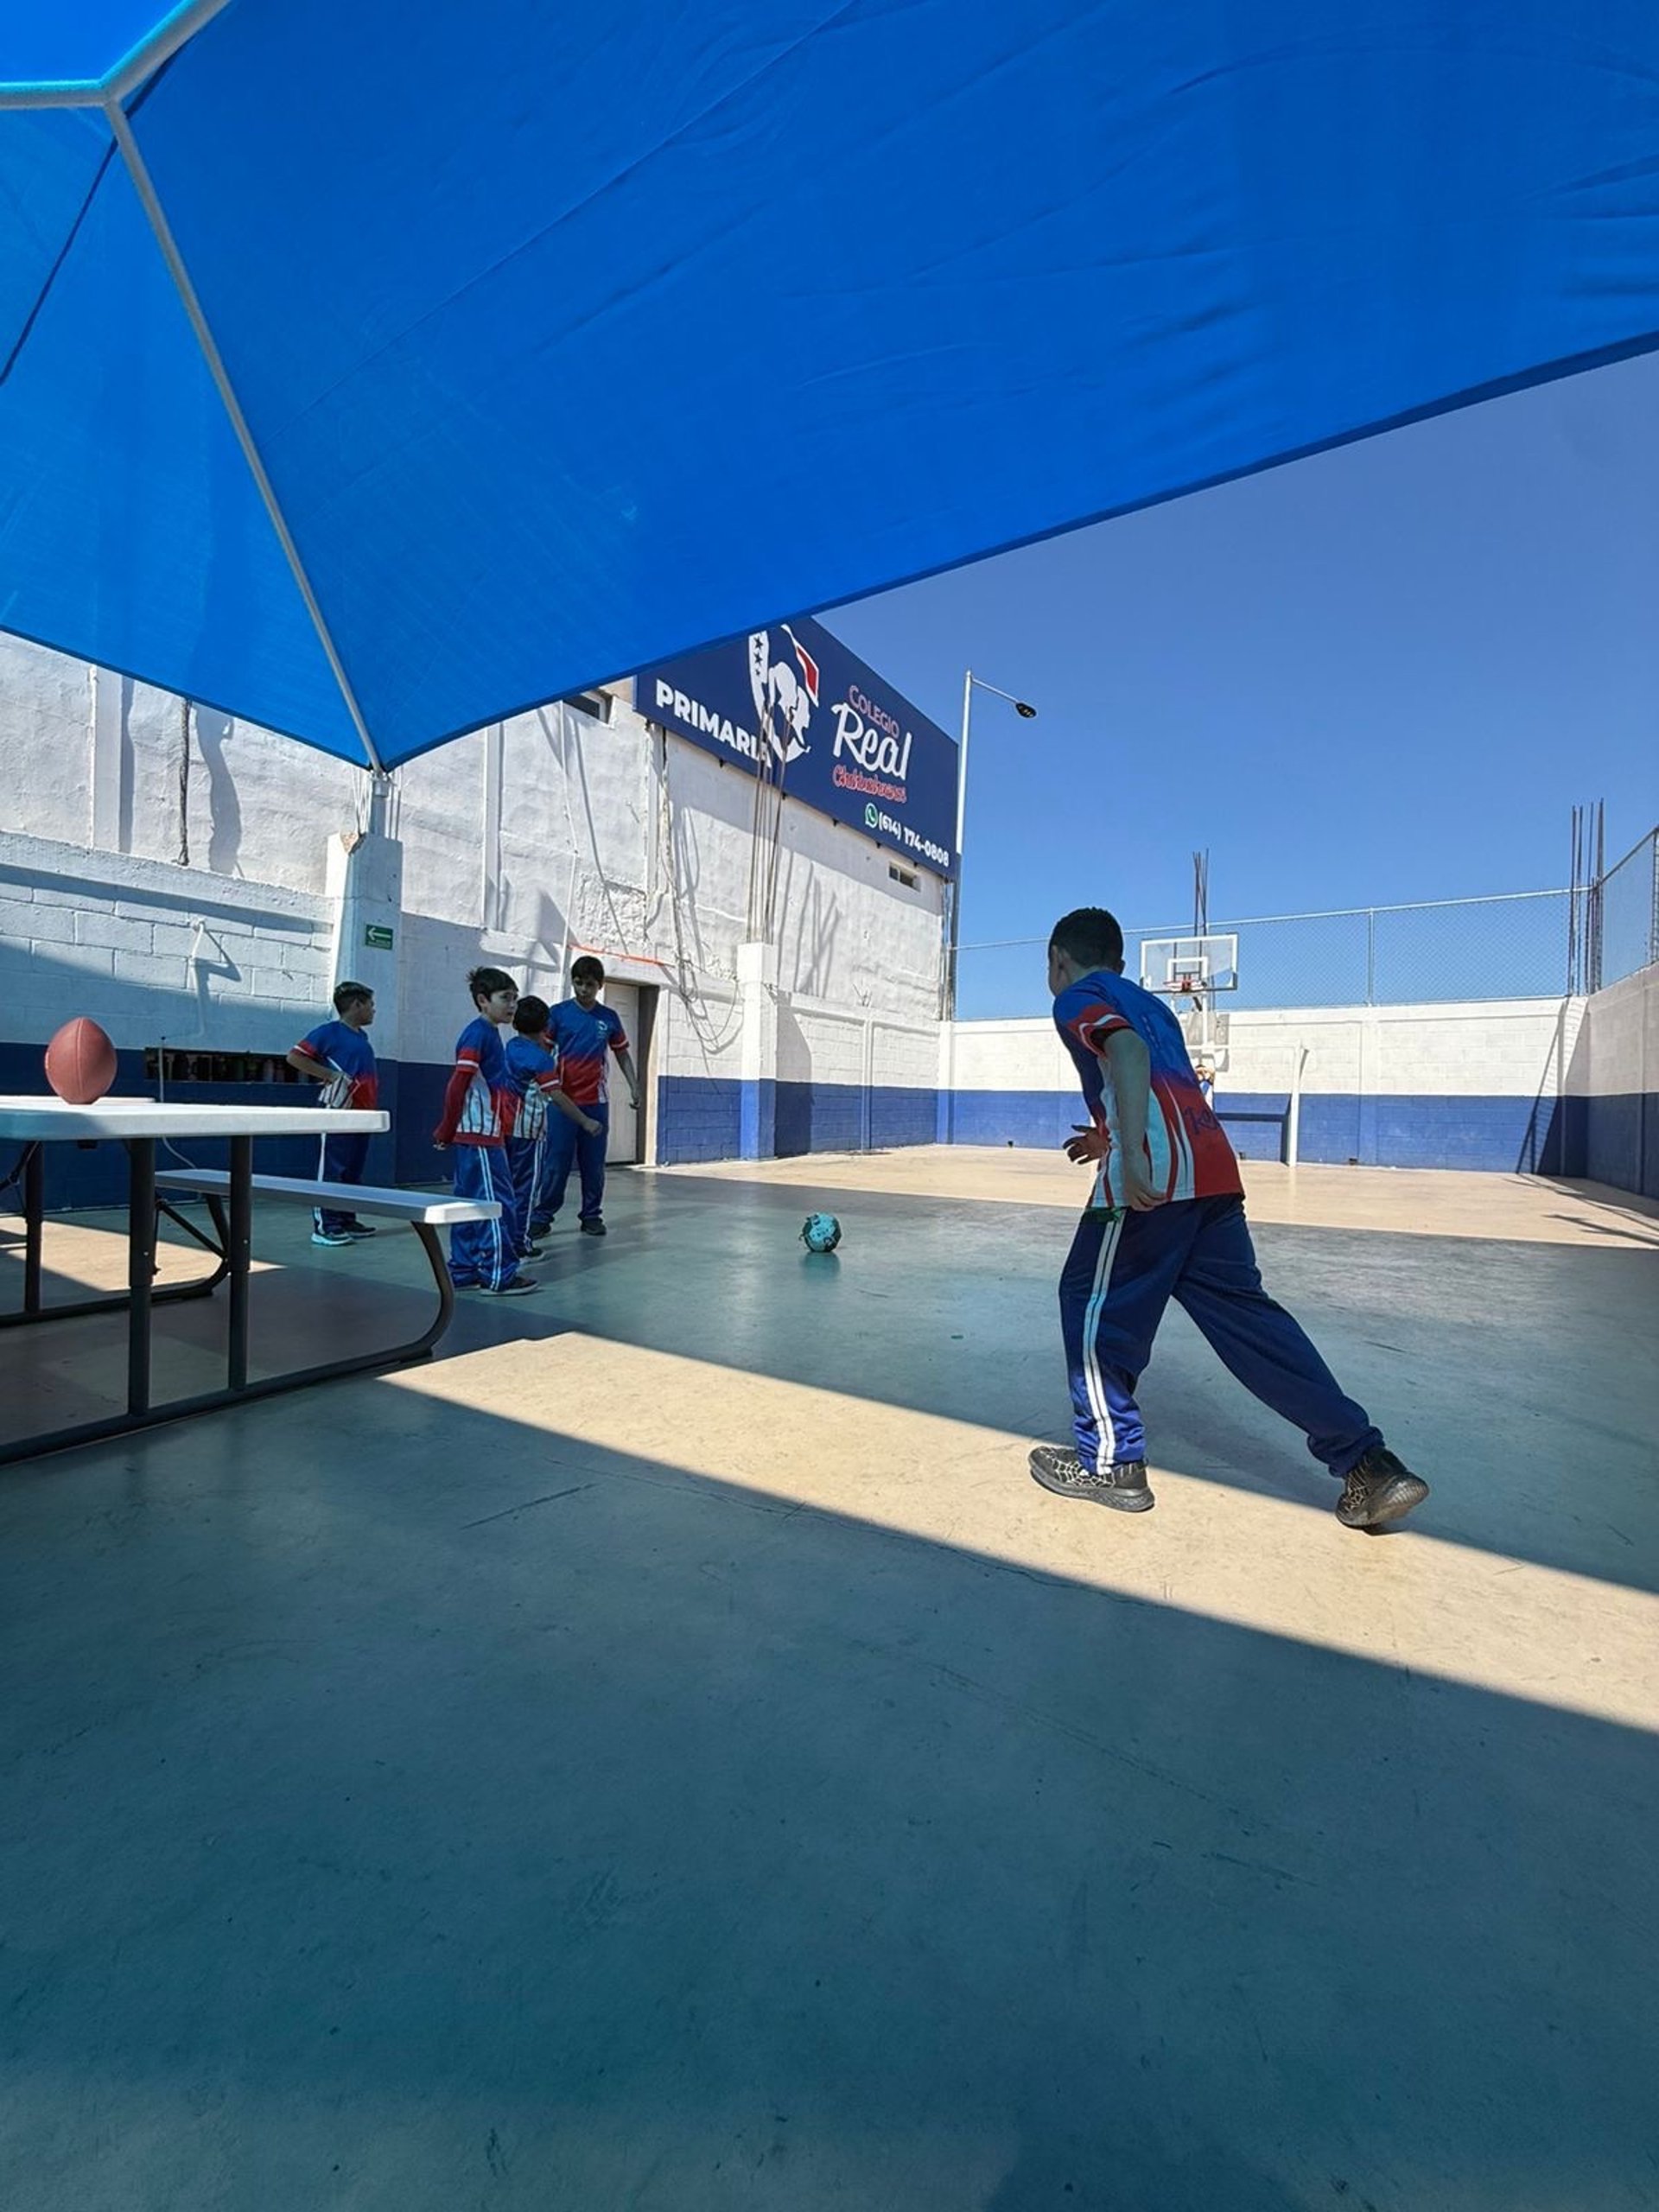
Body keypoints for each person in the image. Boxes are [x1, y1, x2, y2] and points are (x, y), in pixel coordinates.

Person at [1031, 907, 1428, 1530]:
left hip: (1157, 1181)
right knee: (1253, 1328)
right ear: (1123, 962)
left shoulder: (1076, 997)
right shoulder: (1155, 1006)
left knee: (1089, 1302)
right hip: (1214, 1173)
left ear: (1058, 959)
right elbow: (1155, 1080)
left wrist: (1132, 1154)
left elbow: (1127, 1053)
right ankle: (1367, 1463)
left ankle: (1110, 1463)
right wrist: (1107, 1136)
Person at [431, 966, 537, 1296]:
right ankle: (498, 1275)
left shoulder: (489, 1034)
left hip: (481, 1134)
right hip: (480, 1136)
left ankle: (463, 1269)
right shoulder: (478, 1034)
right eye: (505, 998)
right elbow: (457, 1084)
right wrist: (446, 1129)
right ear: (482, 1000)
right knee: (496, 1204)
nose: (512, 1005)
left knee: (468, 1203)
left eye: (515, 998)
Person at [534, 956, 639, 1239]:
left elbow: (622, 1053)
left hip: (596, 1103)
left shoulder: (609, 1018)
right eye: (578, 983)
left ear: (600, 985)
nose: (583, 989)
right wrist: (537, 1085)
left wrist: (634, 1085)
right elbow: (543, 1053)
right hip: (562, 1103)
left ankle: (592, 1216)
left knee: (593, 1165)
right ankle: (542, 1217)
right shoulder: (558, 1014)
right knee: (556, 1163)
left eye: (590, 984)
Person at [503, 996, 602, 1262]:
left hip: (507, 1128)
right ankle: (520, 1243)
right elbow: (557, 1096)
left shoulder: (510, 1047)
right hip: (530, 1132)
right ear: (546, 1026)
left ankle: (503, 1238)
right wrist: (586, 1121)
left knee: (509, 1187)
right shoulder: (542, 1060)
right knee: (526, 1190)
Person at [288, 981, 378, 1248]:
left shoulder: (361, 1037)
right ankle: (325, 1226)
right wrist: (330, 1075)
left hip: (362, 1113)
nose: (374, 1010)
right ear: (356, 1005)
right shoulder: (328, 1032)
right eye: (371, 1005)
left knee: (352, 1170)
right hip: (338, 1110)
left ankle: (346, 1219)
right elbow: (294, 1057)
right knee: (332, 1169)